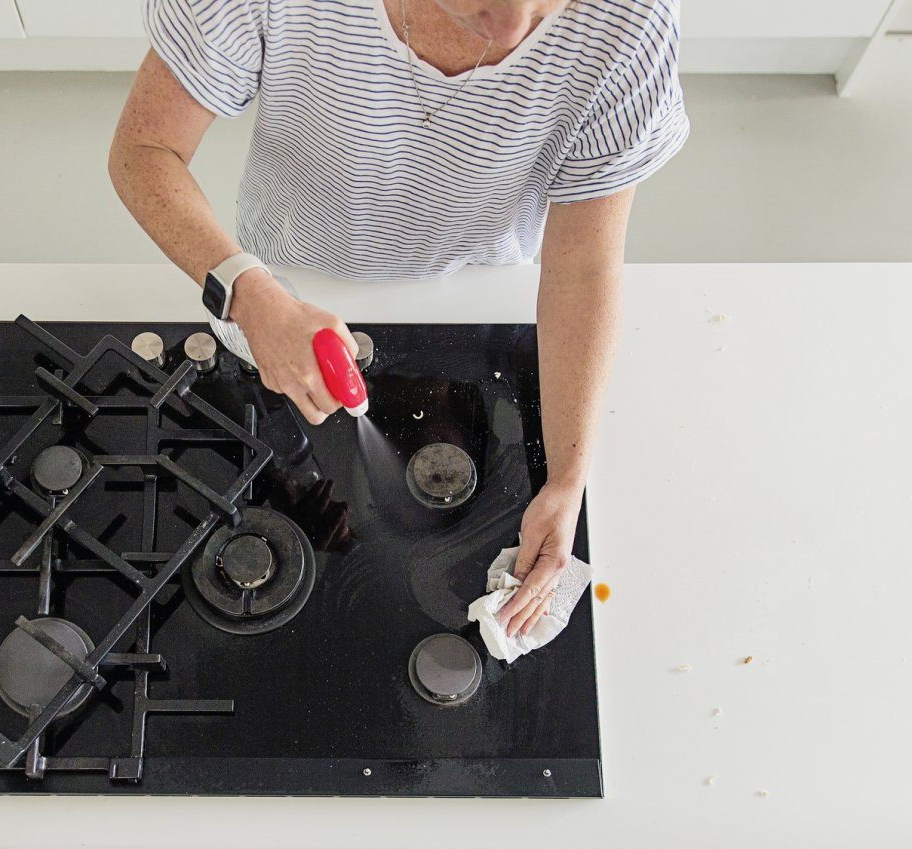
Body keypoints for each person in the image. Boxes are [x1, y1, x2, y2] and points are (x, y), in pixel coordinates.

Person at [110, 0, 688, 639]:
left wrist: (568, 477)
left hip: (486, 292)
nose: (517, 28)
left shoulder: (631, 19)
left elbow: (584, 270)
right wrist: (248, 292)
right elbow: (145, 149)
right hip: (288, 276)